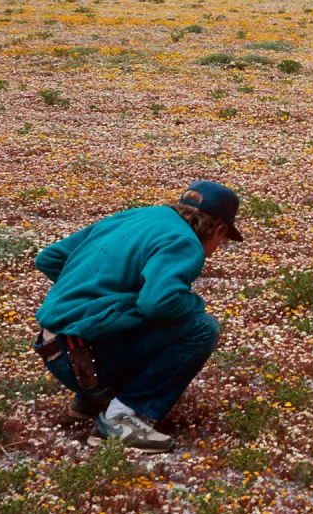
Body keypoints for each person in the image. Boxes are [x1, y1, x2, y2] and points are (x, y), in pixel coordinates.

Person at [32, 181, 243, 452]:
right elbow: (158, 304)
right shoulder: (185, 242)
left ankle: (93, 399)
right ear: (219, 229)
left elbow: (49, 258)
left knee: (134, 311)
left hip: (56, 348)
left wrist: (91, 297)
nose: (217, 248)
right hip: (80, 357)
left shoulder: (137, 216)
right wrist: (195, 304)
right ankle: (122, 419)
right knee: (201, 328)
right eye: (222, 241)